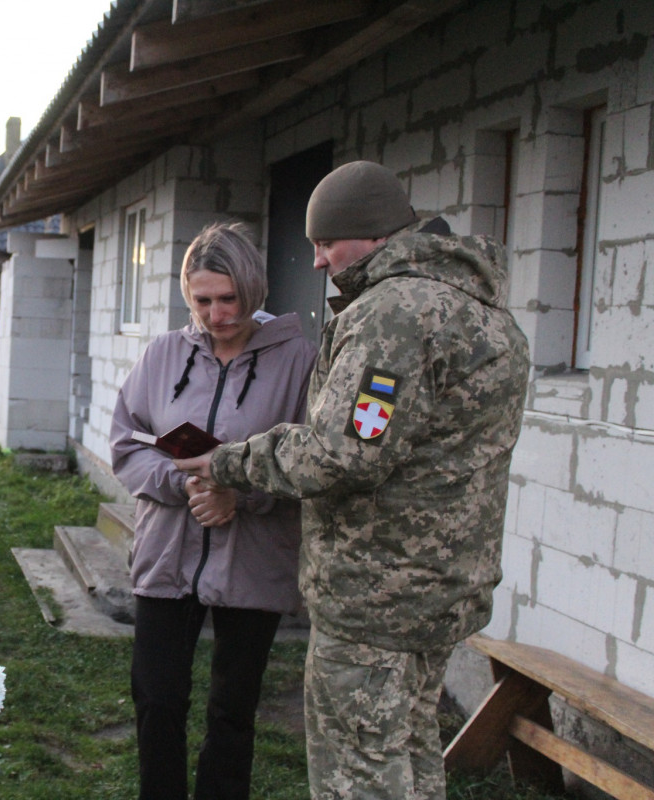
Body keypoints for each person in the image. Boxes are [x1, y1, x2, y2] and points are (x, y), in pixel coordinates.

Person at [174, 161, 530, 800]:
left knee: (360, 773)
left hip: (378, 593)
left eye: (324, 243)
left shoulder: (392, 314)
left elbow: (346, 453)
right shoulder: (484, 311)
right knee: (412, 755)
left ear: (370, 235)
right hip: (441, 586)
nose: (315, 260)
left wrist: (227, 461)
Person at [110, 221, 317, 800]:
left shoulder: (299, 360)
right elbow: (127, 443)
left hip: (253, 559)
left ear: (253, 291)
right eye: (203, 300)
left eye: (230, 300)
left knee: (232, 708)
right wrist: (184, 488)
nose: (217, 314)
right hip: (166, 554)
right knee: (156, 697)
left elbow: (310, 460)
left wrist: (239, 493)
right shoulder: (163, 355)